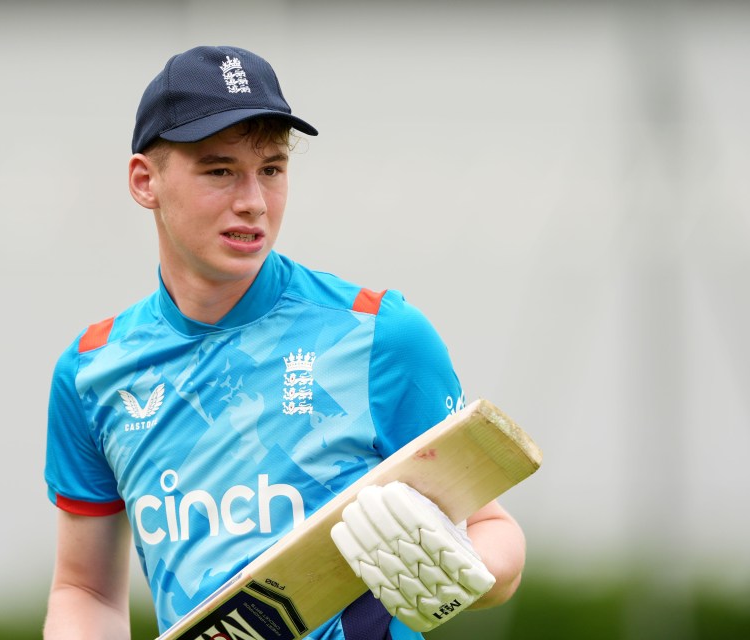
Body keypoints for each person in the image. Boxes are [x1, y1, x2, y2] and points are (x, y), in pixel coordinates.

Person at [43, 45, 526, 640]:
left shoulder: (380, 335)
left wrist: (468, 574)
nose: (253, 201)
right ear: (145, 181)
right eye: (220, 170)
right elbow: (84, 590)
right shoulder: (93, 372)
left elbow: (494, 530)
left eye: (271, 169)